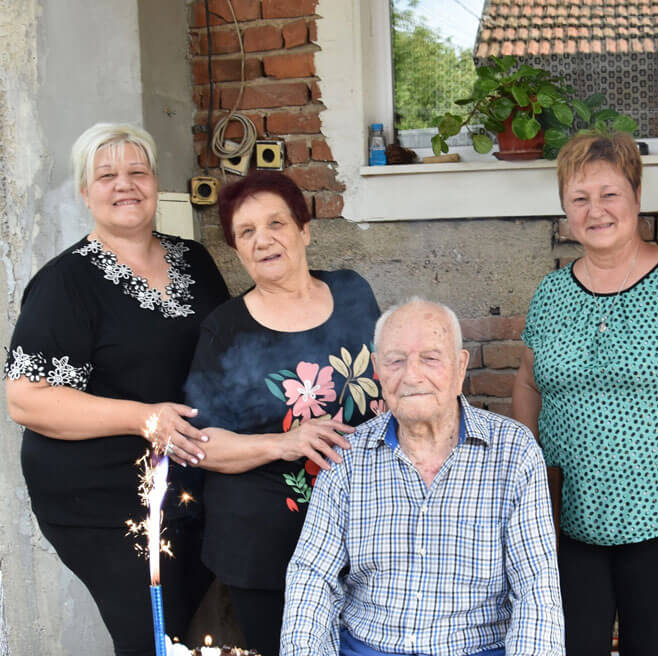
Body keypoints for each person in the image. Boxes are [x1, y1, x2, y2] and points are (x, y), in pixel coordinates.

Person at [511, 131, 658, 656]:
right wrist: (529, 481)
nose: (595, 211)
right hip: (566, 522)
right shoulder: (551, 293)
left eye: (609, 194)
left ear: (637, 196)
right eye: (579, 198)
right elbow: (526, 381)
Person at [4, 123, 229, 655]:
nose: (124, 184)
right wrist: (144, 417)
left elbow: (229, 346)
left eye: (137, 172)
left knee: (192, 632)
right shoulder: (66, 283)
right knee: (151, 639)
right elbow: (26, 399)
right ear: (86, 193)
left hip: (191, 484)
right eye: (107, 176)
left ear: (154, 182)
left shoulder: (193, 260)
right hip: (100, 497)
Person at [281, 298, 564, 656]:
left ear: (460, 367)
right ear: (378, 371)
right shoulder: (346, 457)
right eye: (396, 361)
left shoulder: (514, 451)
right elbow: (312, 578)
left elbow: (536, 588)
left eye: (430, 358)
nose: (412, 376)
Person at [182, 171, 381, 656]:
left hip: (366, 533)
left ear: (304, 230)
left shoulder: (352, 292)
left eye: (276, 223)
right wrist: (285, 442)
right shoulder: (225, 329)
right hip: (266, 547)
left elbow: (388, 379)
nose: (264, 239)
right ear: (237, 250)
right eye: (247, 231)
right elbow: (198, 444)